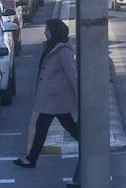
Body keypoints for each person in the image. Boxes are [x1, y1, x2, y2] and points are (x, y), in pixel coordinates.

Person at [14, 18, 80, 172]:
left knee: (45, 126)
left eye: (47, 29)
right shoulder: (53, 46)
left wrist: (80, 94)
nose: (45, 32)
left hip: (56, 97)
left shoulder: (63, 50)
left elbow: (72, 73)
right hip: (53, 97)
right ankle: (31, 159)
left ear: (54, 31)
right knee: (67, 126)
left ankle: (31, 159)